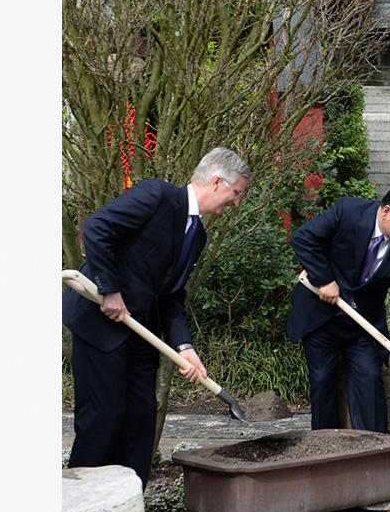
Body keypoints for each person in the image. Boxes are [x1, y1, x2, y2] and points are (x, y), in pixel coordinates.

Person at [63, 147, 251, 487]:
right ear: (218, 182)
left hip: (140, 334)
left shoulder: (198, 236)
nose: (236, 203)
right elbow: (98, 227)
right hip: (100, 326)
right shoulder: (157, 196)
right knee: (103, 419)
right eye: (236, 193)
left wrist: (184, 346)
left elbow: (170, 296)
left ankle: (130, 503)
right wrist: (109, 289)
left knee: (140, 420)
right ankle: (81, 504)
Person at [288, 184, 390, 433]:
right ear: (386, 212)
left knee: (369, 381)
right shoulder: (349, 212)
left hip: (363, 325)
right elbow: (303, 238)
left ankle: (372, 452)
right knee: (322, 380)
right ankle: (326, 450)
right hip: (322, 318)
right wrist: (324, 279)